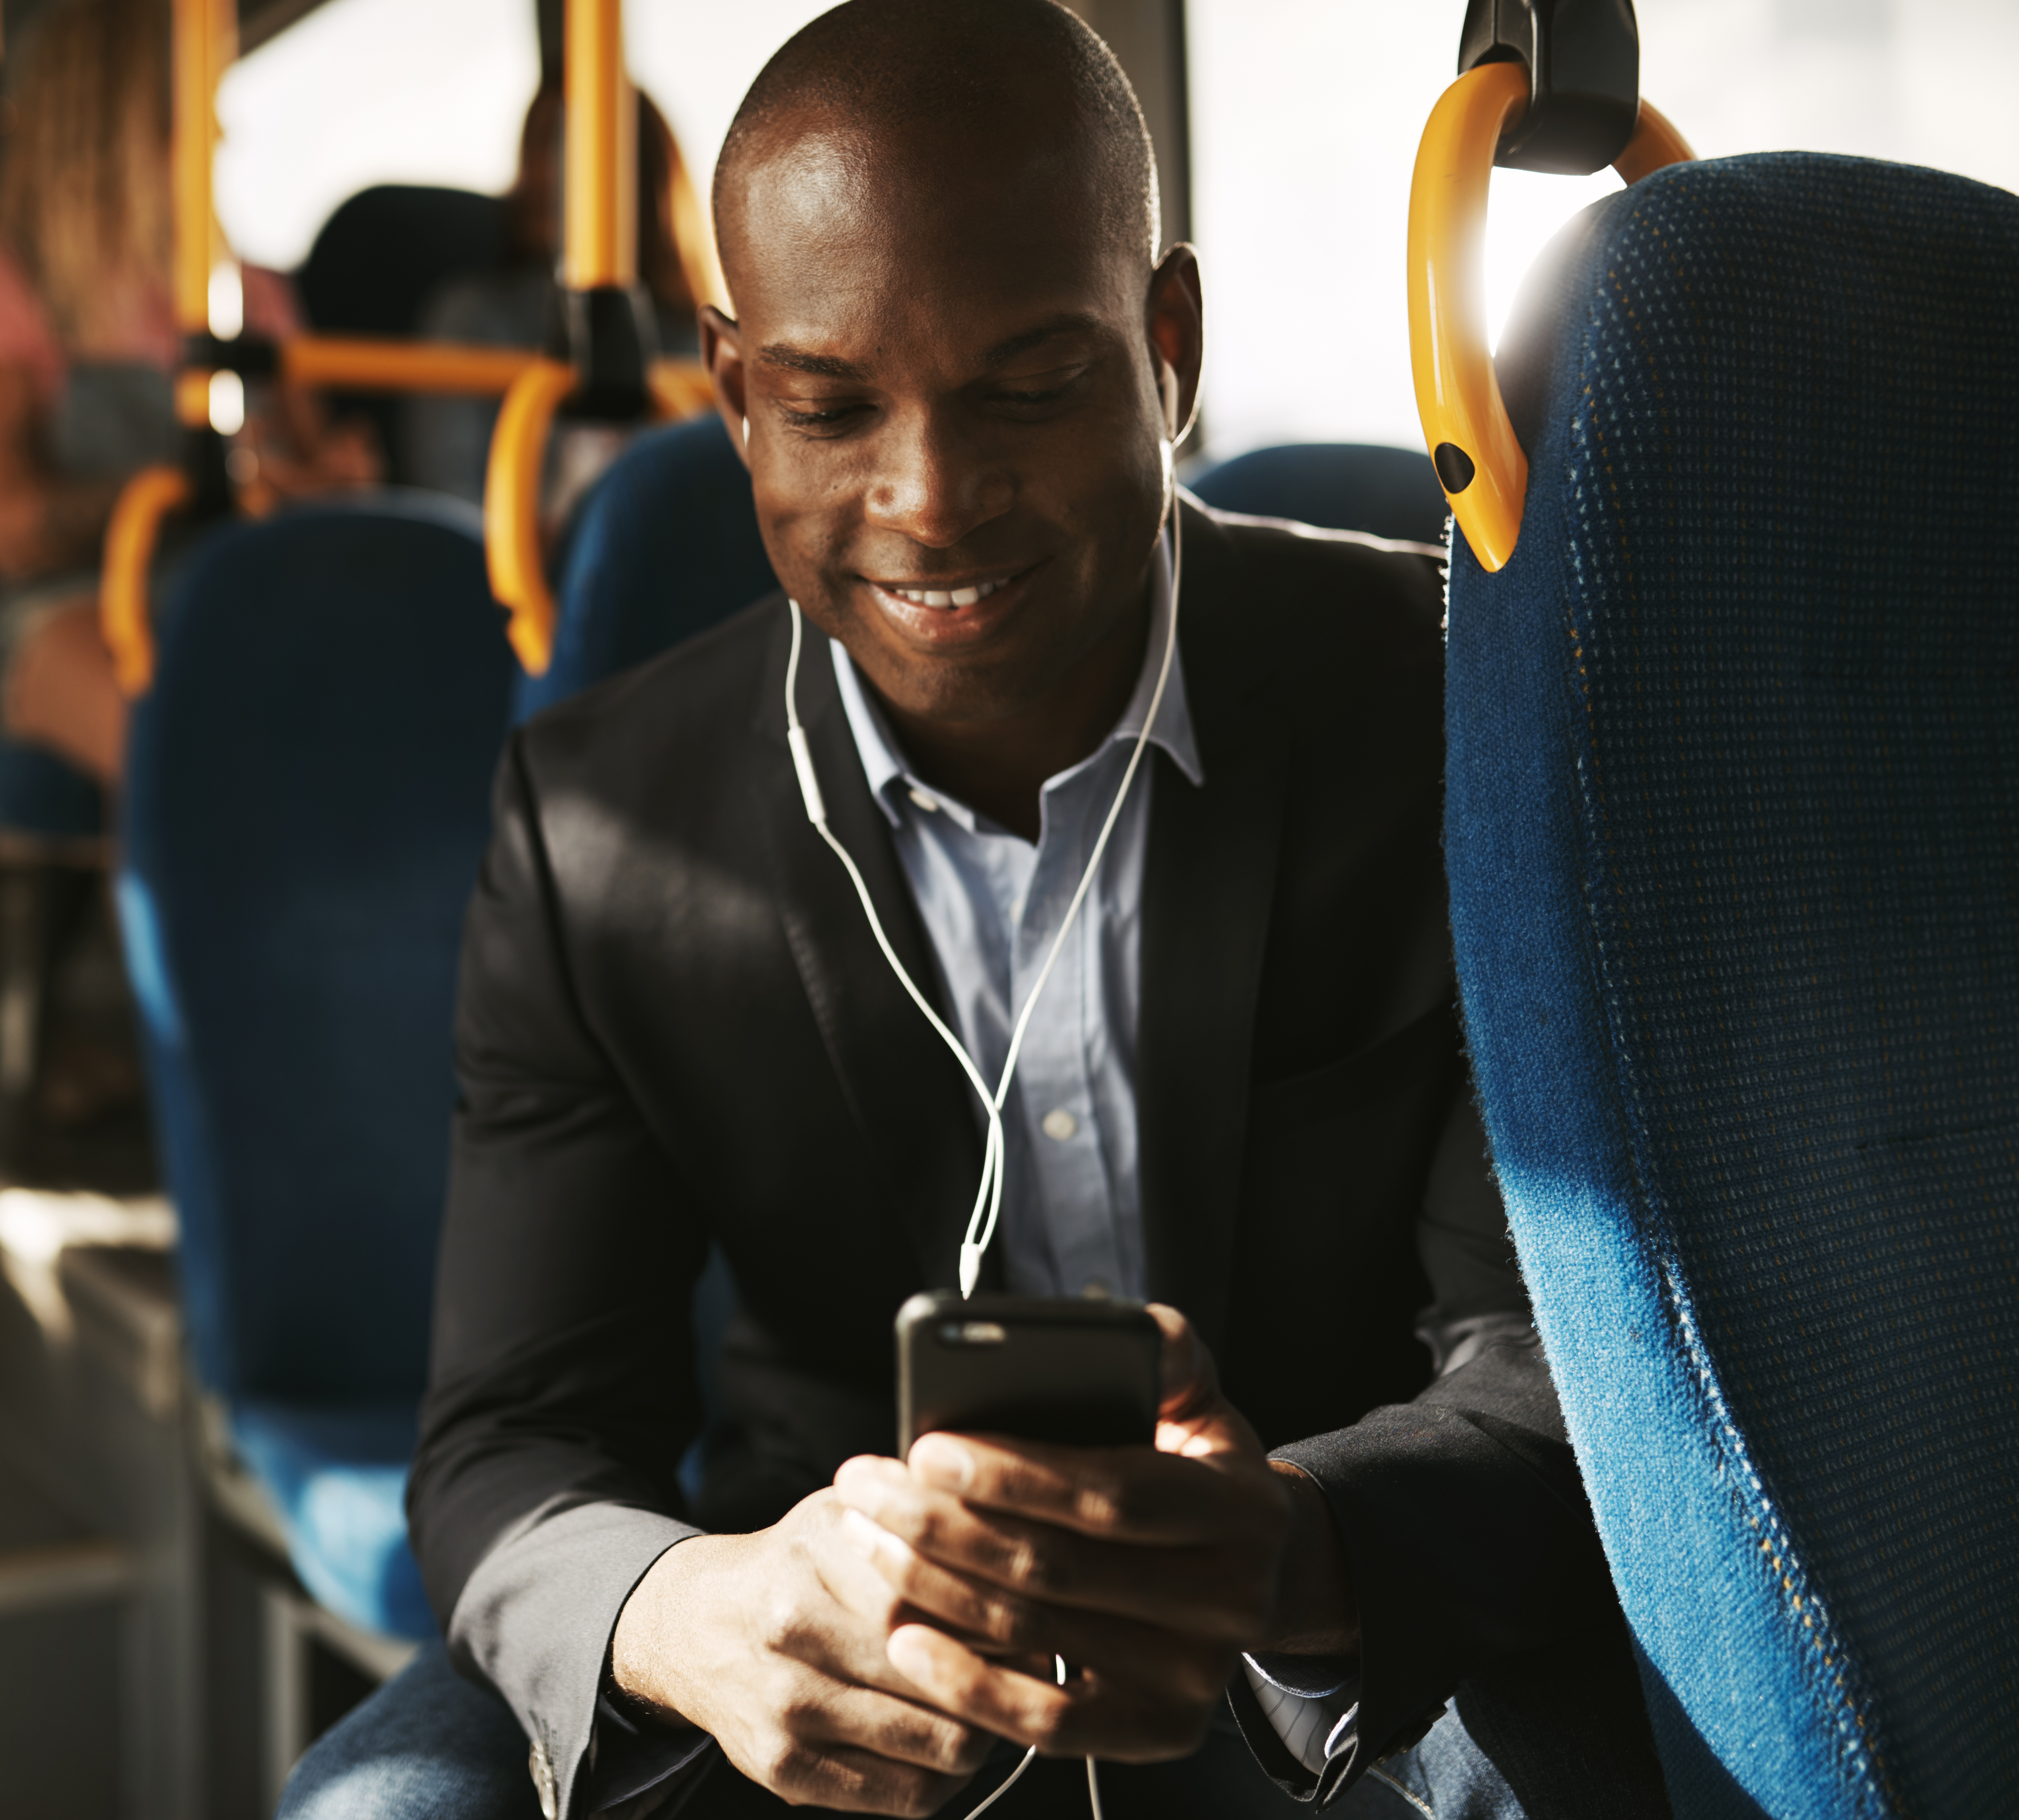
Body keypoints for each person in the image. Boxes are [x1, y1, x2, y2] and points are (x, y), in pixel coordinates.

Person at [279, 4, 1664, 1819]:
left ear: (1166, 349)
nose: (927, 500)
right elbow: (510, 1442)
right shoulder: (596, 826)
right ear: (730, 395)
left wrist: (1292, 1542)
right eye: (830, 406)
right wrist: (702, 1607)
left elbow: (1558, 1367)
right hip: (827, 1647)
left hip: (1337, 1656)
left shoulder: (1455, 706)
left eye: (1025, 386)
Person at [0, 0, 179, 788]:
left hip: (242, 583)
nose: (216, 138)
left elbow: (309, 454)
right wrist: (182, 491)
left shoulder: (244, 289)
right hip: (70, 603)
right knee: (193, 744)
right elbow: (10, 533)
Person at [401, 86, 712, 512]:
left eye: (569, 146)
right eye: (539, 147)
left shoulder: (696, 344)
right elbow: (448, 502)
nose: (544, 174)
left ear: (635, 170)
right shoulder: (471, 317)